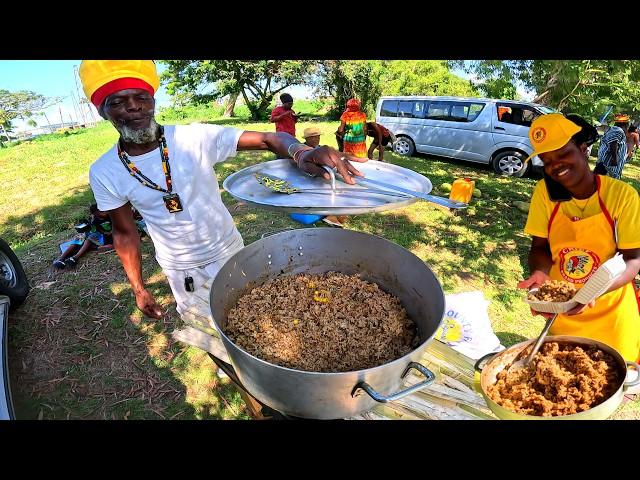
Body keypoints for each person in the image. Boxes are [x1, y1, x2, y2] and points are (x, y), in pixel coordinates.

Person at [79, 60, 366, 319]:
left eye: (141, 97)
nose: (133, 106)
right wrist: (139, 288)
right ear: (102, 111)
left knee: (251, 314)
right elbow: (125, 232)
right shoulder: (105, 171)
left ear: (152, 101)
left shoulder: (193, 138)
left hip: (229, 249)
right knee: (205, 323)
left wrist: (302, 153)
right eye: (117, 102)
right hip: (182, 268)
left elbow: (268, 138)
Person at [517, 112, 640, 363]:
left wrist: (590, 293)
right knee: (562, 376)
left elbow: (634, 261)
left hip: (611, 314)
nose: (556, 165)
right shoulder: (544, 193)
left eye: (563, 153)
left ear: (583, 149)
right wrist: (541, 276)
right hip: (564, 313)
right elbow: (539, 247)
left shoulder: (622, 196)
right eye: (546, 160)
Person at [53, 204, 113, 269]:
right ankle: (61, 258)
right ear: (95, 213)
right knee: (79, 239)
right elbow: (97, 229)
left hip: (104, 237)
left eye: (104, 211)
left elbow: (114, 229)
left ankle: (75, 258)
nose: (104, 212)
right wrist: (88, 226)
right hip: (97, 234)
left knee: (89, 239)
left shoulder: (111, 216)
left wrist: (108, 232)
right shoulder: (95, 219)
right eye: (101, 212)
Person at [594, 113, 629, 178]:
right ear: (626, 125)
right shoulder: (618, 130)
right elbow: (613, 143)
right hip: (608, 167)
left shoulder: (613, 130)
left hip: (606, 167)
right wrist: (614, 160)